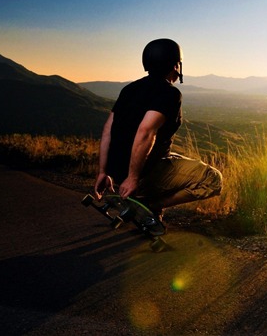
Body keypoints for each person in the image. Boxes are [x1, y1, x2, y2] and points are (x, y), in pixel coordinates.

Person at [94, 38, 222, 228]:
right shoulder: (170, 94)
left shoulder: (129, 89)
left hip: (119, 174)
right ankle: (149, 205)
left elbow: (107, 130)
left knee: (171, 156)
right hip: (141, 175)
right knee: (212, 179)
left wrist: (103, 172)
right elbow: (146, 132)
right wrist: (133, 178)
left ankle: (151, 212)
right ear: (176, 65)